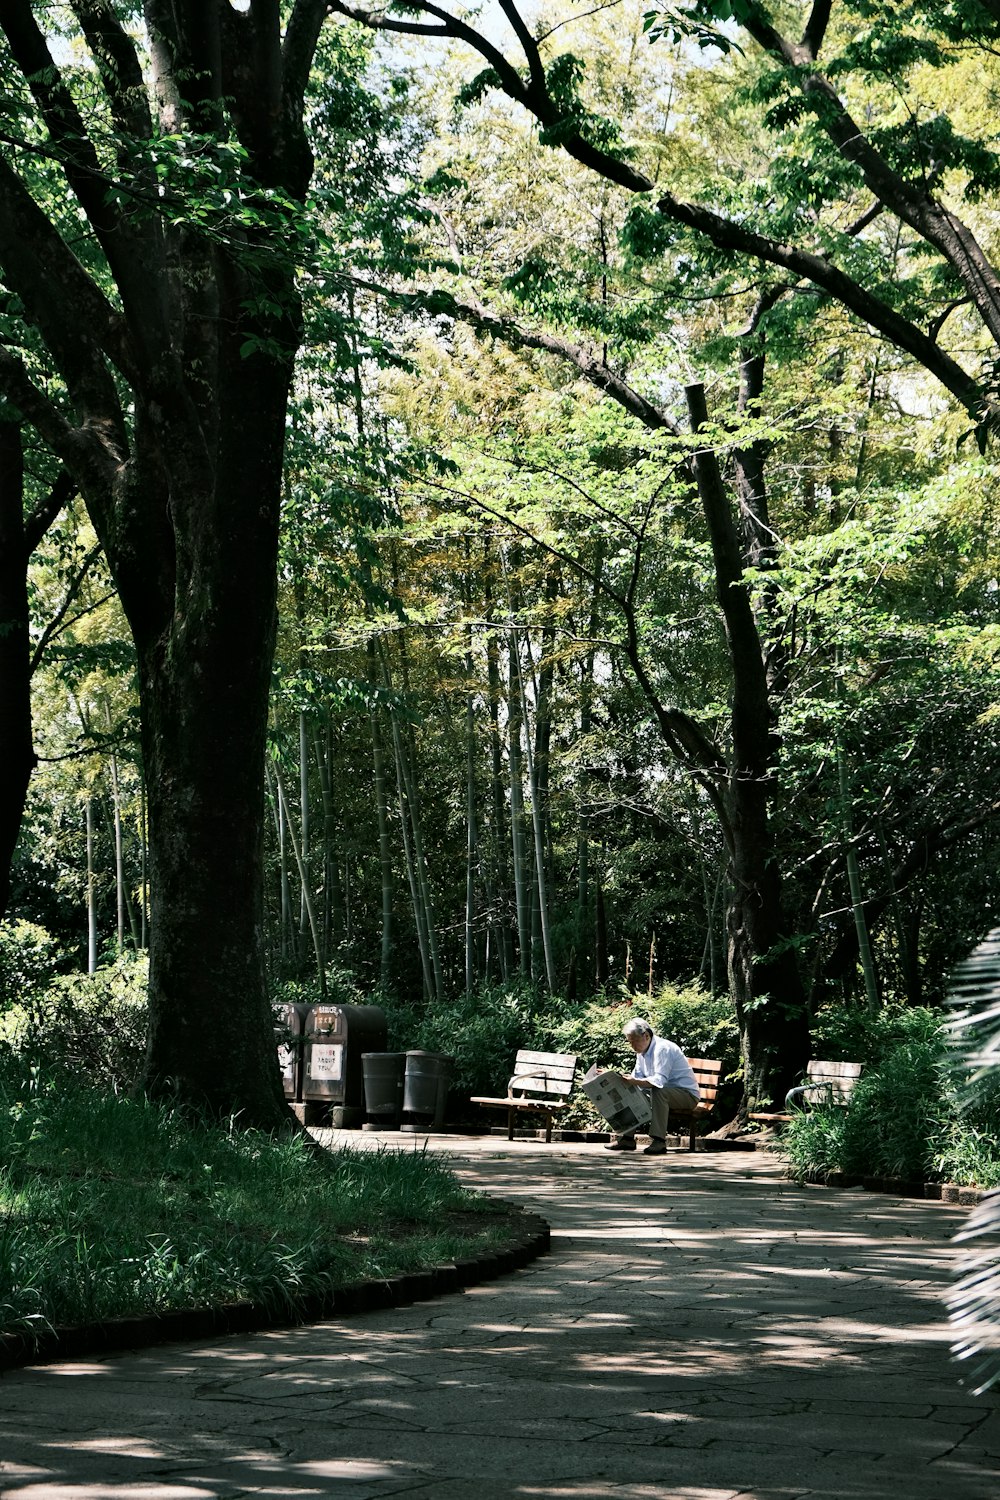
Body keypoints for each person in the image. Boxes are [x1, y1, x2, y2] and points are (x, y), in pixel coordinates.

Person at [604, 1017, 700, 1156]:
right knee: (631, 1091)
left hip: (687, 1095)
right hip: (664, 1093)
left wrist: (634, 1081)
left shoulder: (662, 1049)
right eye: (630, 1042)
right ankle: (627, 1138)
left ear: (646, 1035)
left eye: (634, 1041)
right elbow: (637, 1078)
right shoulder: (641, 1052)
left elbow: (658, 1081)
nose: (632, 1046)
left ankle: (659, 1141)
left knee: (658, 1091)